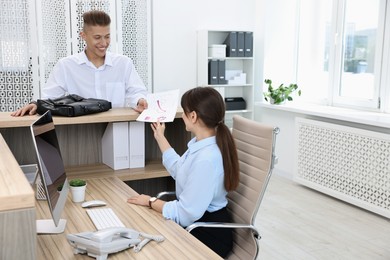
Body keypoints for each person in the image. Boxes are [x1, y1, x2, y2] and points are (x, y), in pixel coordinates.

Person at [127, 87, 240, 258]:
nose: (182, 116)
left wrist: (150, 201)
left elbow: (186, 214)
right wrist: (160, 137)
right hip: (199, 224)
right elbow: (180, 170)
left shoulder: (206, 159)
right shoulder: (201, 144)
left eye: (184, 112)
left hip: (208, 236)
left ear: (193, 116)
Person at [11, 10, 148, 117]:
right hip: (81, 133)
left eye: (107, 36)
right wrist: (35, 104)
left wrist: (140, 100)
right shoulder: (66, 65)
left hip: (119, 129)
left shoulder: (123, 63)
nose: (104, 43)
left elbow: (136, 92)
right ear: (83, 36)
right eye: (97, 37)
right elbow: (49, 97)